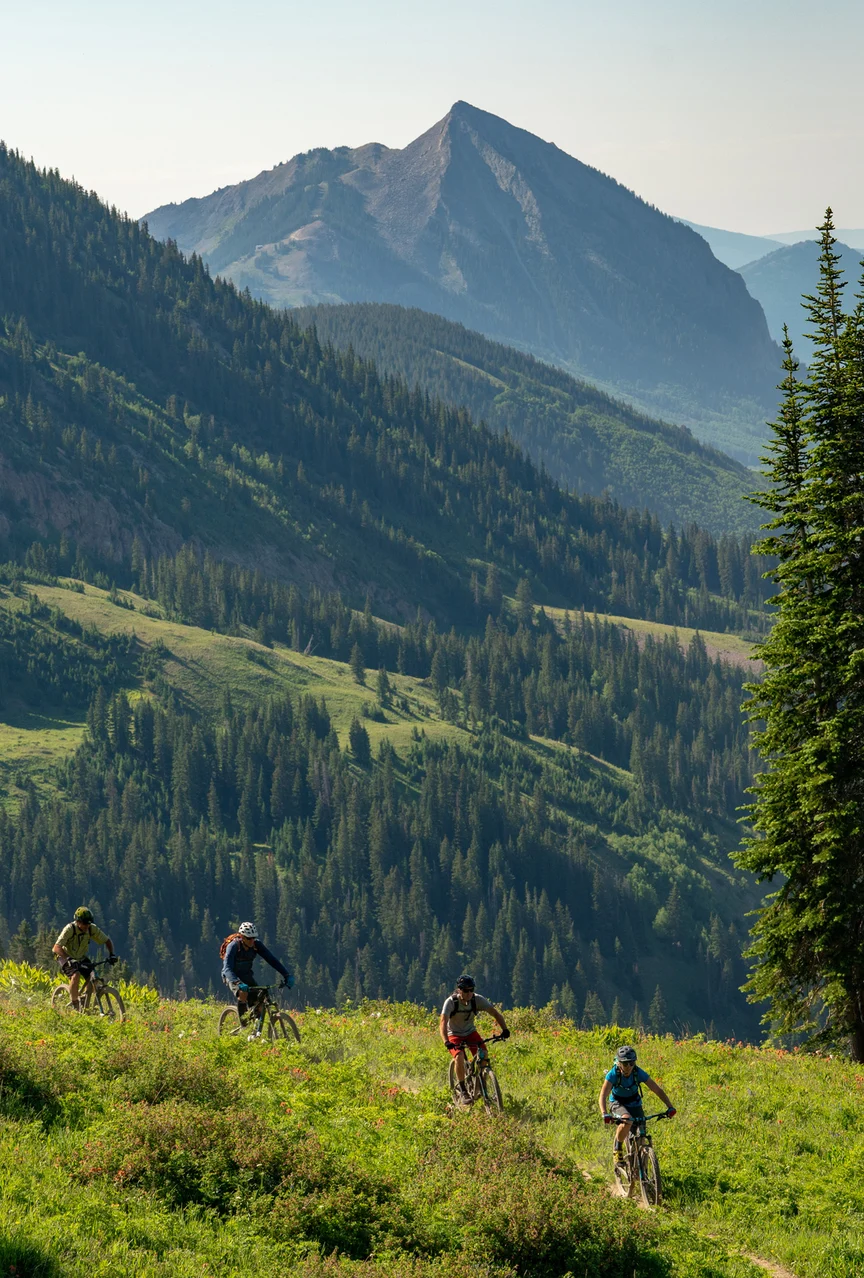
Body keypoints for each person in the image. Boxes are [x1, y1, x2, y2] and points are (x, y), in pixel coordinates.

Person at [598, 1044, 676, 1161]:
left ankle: (640, 1168)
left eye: (631, 1063)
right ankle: (617, 1147)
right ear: (619, 1063)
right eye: (625, 1064)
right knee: (627, 1119)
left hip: (634, 1103)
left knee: (641, 1133)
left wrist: (670, 1107)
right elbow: (603, 1095)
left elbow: (657, 1089)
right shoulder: (613, 1074)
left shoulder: (638, 1072)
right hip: (618, 1102)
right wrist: (604, 1113)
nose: (629, 1066)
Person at [440, 973, 510, 1102]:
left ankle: (483, 1088)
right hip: (454, 1034)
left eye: (471, 990)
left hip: (470, 1032)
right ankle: (463, 1091)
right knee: (459, 1057)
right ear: (459, 990)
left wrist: (505, 1029)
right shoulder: (450, 1002)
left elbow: (495, 1013)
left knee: (483, 1054)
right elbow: (443, 1022)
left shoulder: (477, 1000)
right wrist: (446, 1041)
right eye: (466, 990)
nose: (469, 993)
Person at [220, 921, 293, 1020]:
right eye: (248, 938)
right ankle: (244, 1025)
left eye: (253, 937)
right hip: (231, 976)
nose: (251, 941)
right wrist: (237, 982)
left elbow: (272, 960)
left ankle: (255, 1027)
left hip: (246, 975)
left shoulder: (256, 945)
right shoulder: (233, 946)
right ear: (241, 936)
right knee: (243, 993)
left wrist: (286, 975)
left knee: (260, 1000)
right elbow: (227, 968)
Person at [52, 907, 118, 1010]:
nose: (87, 926)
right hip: (64, 956)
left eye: (89, 923)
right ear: (78, 921)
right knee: (76, 975)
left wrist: (112, 954)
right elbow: (56, 947)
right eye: (84, 923)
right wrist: (69, 959)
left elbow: (106, 940)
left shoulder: (91, 929)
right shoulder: (70, 929)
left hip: (80, 957)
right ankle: (75, 1004)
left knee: (93, 976)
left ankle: (85, 999)